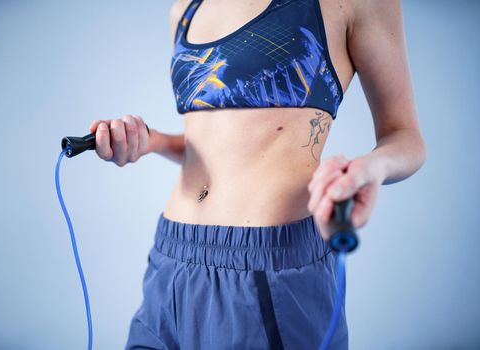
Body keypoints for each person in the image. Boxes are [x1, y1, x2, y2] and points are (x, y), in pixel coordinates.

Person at [89, 0, 426, 348]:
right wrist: (149, 141)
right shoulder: (184, 9)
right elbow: (210, 139)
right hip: (172, 256)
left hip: (270, 262)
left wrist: (368, 168)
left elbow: (405, 136)